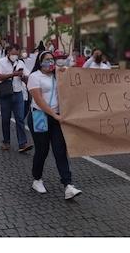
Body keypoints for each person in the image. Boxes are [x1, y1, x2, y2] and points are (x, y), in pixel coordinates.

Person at [27, 51, 82, 199]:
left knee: (60, 150)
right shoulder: (34, 77)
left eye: (52, 59)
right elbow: (39, 101)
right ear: (40, 62)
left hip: (57, 118)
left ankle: (68, 184)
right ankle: (37, 179)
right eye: (46, 60)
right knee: (42, 150)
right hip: (39, 116)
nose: (50, 62)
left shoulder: (58, 75)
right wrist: (54, 114)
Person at [0, 44, 32, 153]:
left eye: (17, 54)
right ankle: (6, 141)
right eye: (13, 53)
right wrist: (12, 74)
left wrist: (22, 77)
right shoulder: (1, 62)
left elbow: (27, 76)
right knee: (5, 119)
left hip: (18, 93)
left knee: (20, 119)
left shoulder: (20, 63)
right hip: (6, 94)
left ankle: (22, 143)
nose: (15, 55)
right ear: (8, 52)